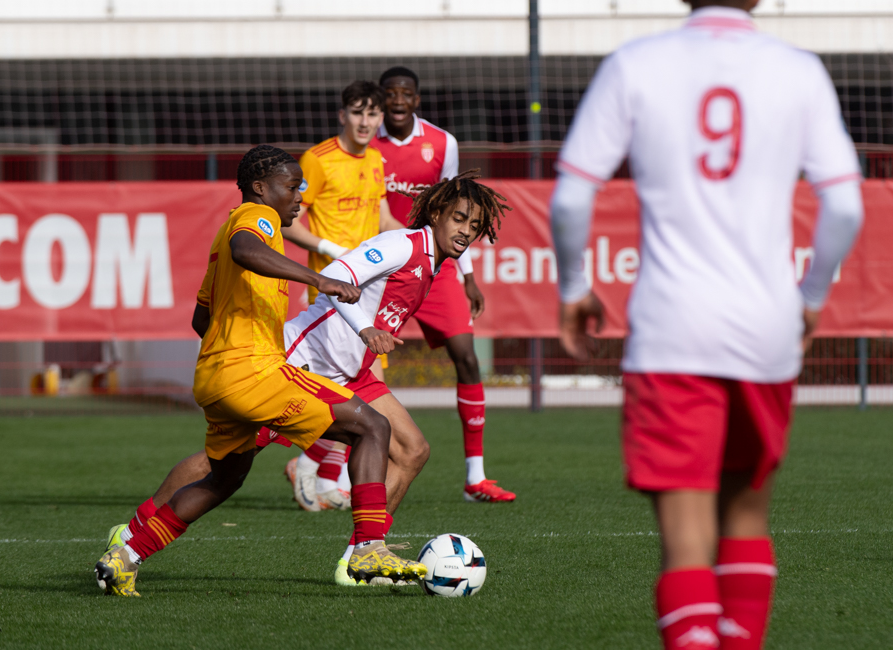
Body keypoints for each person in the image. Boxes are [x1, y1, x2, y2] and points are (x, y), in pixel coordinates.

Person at [550, 2, 863, 648]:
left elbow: (572, 196)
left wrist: (575, 287)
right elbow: (845, 207)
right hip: (767, 325)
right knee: (745, 515)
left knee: (686, 538)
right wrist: (810, 296)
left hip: (672, 326)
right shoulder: (799, 70)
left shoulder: (635, 64)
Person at [103, 172, 509, 587]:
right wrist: (366, 328)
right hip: (304, 360)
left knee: (412, 450)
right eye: (459, 219)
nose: (465, 231)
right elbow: (336, 275)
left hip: (351, 371)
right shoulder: (402, 245)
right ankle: (134, 531)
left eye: (475, 226)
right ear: (437, 213)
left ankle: (360, 559)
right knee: (222, 464)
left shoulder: (433, 263)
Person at [370, 65, 514, 503]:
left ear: (417, 99)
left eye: (405, 93)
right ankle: (323, 464)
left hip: (439, 265)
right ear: (381, 99)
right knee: (356, 363)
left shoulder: (442, 142)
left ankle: (475, 477)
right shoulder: (367, 143)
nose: (398, 100)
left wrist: (467, 275)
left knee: (466, 357)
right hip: (389, 265)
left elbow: (457, 207)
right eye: (390, 93)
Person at [279, 80, 404, 511]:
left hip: (370, 296)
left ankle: (326, 475)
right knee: (358, 395)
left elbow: (384, 219)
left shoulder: (375, 159)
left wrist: (416, 243)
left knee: (360, 393)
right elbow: (288, 221)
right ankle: (311, 466)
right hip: (332, 297)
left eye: (373, 113)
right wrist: (330, 248)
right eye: (358, 112)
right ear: (342, 115)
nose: (365, 122)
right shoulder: (317, 160)